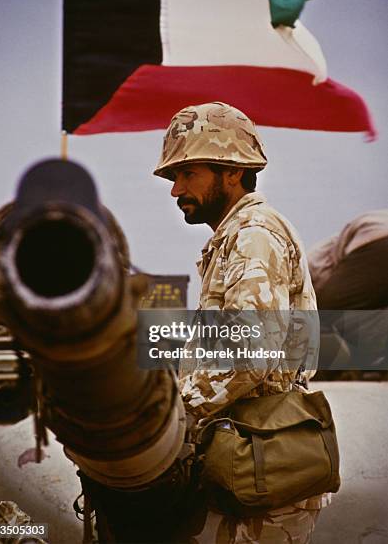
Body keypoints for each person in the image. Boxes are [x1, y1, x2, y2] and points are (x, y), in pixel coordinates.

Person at [153, 101, 329, 543]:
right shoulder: (235, 238)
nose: (176, 190)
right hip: (248, 461)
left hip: (261, 475)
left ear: (232, 171)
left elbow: (249, 357)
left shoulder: (254, 236)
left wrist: (174, 418)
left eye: (188, 173)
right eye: (175, 176)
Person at [308, 210, 388, 372]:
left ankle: (346, 361)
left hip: (375, 239)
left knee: (321, 311)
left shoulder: (307, 267)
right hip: (374, 237)